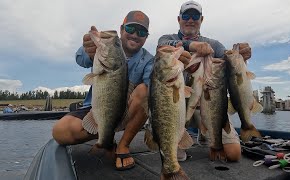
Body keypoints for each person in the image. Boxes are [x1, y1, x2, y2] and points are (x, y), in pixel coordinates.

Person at [52, 10, 154, 171]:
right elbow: (80, 59)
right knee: (59, 132)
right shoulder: (103, 48)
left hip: (126, 112)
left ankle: (123, 146)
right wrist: (89, 49)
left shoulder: (149, 60)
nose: (135, 34)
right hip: (94, 108)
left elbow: (155, 88)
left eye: (141, 32)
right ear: (121, 30)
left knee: (145, 91)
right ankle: (106, 139)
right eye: (130, 29)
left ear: (146, 37)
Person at [158, 0, 252, 162]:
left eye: (195, 15)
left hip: (210, 105)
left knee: (233, 154)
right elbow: (162, 46)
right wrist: (191, 45)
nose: (190, 19)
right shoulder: (168, 39)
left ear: (201, 20)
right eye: (186, 15)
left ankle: (206, 134)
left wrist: (241, 56)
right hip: (177, 107)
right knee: (174, 155)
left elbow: (230, 61)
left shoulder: (215, 45)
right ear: (179, 19)